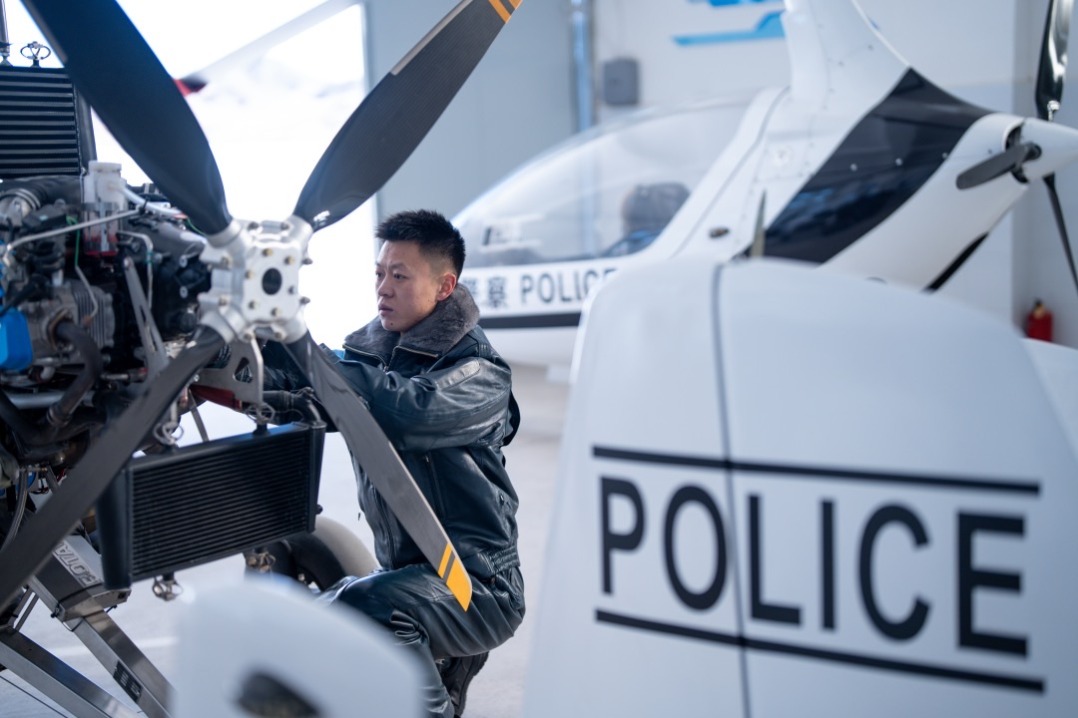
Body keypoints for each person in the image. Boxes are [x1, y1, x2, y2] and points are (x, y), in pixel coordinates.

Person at [268, 209, 524, 717]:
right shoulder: (371, 360)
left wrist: (310, 355)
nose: (383, 288)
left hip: (478, 586)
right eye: (379, 274)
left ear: (444, 286)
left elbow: (410, 410)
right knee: (296, 626)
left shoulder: (481, 375)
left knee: (366, 607)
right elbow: (308, 391)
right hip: (409, 578)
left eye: (400, 276)